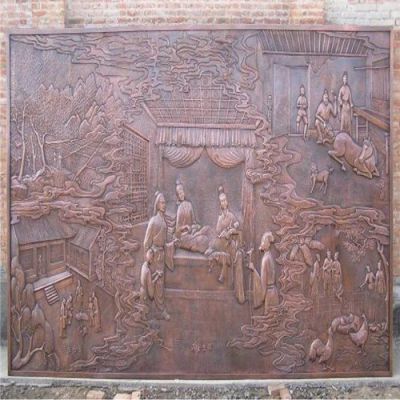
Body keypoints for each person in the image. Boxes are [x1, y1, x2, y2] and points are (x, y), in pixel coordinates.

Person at [143, 191, 175, 320]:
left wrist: (172, 244)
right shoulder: (153, 221)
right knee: (156, 282)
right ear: (157, 205)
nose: (164, 205)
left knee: (160, 283)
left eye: (165, 203)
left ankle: (159, 309)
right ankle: (158, 310)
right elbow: (146, 242)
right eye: (162, 203)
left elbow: (165, 241)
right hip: (155, 255)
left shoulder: (163, 221)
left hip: (162, 254)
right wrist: (148, 256)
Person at [174, 180, 212, 253]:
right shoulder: (179, 208)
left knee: (207, 228)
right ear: (177, 195)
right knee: (203, 239)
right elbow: (177, 231)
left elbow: (193, 222)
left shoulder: (189, 205)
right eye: (179, 193)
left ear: (184, 192)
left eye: (182, 192)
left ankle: (209, 246)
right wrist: (185, 227)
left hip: (192, 232)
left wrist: (195, 227)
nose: (181, 194)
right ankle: (203, 246)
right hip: (184, 237)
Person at [248, 231, 279, 314]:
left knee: (270, 319)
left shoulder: (265, 260)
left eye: (262, 241)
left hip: (269, 294)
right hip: (274, 292)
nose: (261, 243)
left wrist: (253, 270)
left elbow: (263, 283)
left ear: (266, 244)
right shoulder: (269, 256)